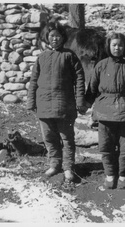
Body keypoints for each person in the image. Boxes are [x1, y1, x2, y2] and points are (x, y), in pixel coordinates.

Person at [26, 21, 87, 182]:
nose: (55, 39)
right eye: (52, 36)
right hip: (44, 105)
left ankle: (68, 167)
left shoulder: (69, 56)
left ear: (63, 38)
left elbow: (80, 79)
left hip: (64, 105)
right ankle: (54, 164)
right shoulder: (42, 57)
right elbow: (33, 81)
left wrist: (80, 101)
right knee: (49, 137)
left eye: (58, 36)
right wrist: (31, 101)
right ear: (47, 38)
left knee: (67, 139)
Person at [86, 32, 125, 189]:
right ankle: (110, 174)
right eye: (114, 45)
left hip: (124, 110)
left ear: (124, 47)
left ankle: (123, 176)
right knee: (106, 146)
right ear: (108, 46)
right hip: (104, 111)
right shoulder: (101, 65)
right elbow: (92, 89)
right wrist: (86, 105)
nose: (117, 48)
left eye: (120, 45)